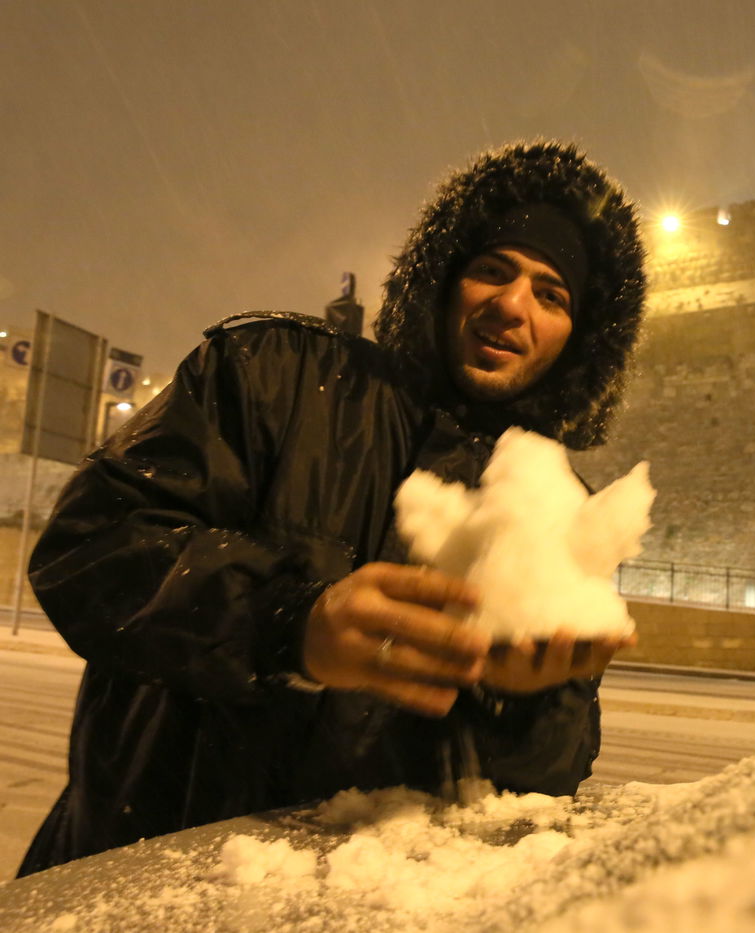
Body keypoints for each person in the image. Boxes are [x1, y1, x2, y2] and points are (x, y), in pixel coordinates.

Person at [16, 141, 647, 876]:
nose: (512, 305)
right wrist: (289, 622)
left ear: (578, 342)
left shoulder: (557, 514)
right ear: (444, 280)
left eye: (551, 294)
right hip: (143, 883)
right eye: (492, 269)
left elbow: (540, 791)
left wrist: (523, 704)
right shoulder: (274, 376)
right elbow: (90, 548)